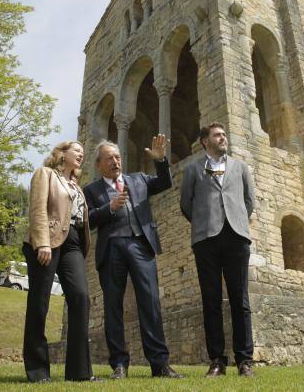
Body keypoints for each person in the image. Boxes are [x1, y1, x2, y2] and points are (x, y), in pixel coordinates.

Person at [84, 134, 181, 379]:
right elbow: (88, 220)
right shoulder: (91, 190)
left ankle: (160, 364)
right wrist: (110, 207)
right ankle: (119, 365)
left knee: (150, 302)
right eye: (109, 159)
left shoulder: (138, 180)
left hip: (140, 244)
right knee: (113, 307)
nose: (115, 162)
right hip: (111, 248)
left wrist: (161, 161)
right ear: (99, 165)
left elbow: (164, 183)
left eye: (117, 157)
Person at [180, 122, 256, 377]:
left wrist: (237, 220)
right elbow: (185, 204)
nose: (223, 138)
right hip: (206, 240)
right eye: (217, 135)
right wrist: (204, 222)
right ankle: (217, 361)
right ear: (205, 141)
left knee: (240, 300)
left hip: (236, 236)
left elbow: (249, 201)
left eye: (224, 134)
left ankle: (245, 360)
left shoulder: (241, 167)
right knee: (210, 300)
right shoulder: (192, 169)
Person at [22, 140, 97, 383]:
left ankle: (79, 372)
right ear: (62, 154)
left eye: (83, 153)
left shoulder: (76, 185)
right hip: (49, 239)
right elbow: (37, 209)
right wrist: (42, 241)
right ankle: (37, 370)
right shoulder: (45, 174)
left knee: (80, 298)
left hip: (73, 243)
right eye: (77, 150)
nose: (81, 155)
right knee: (39, 302)